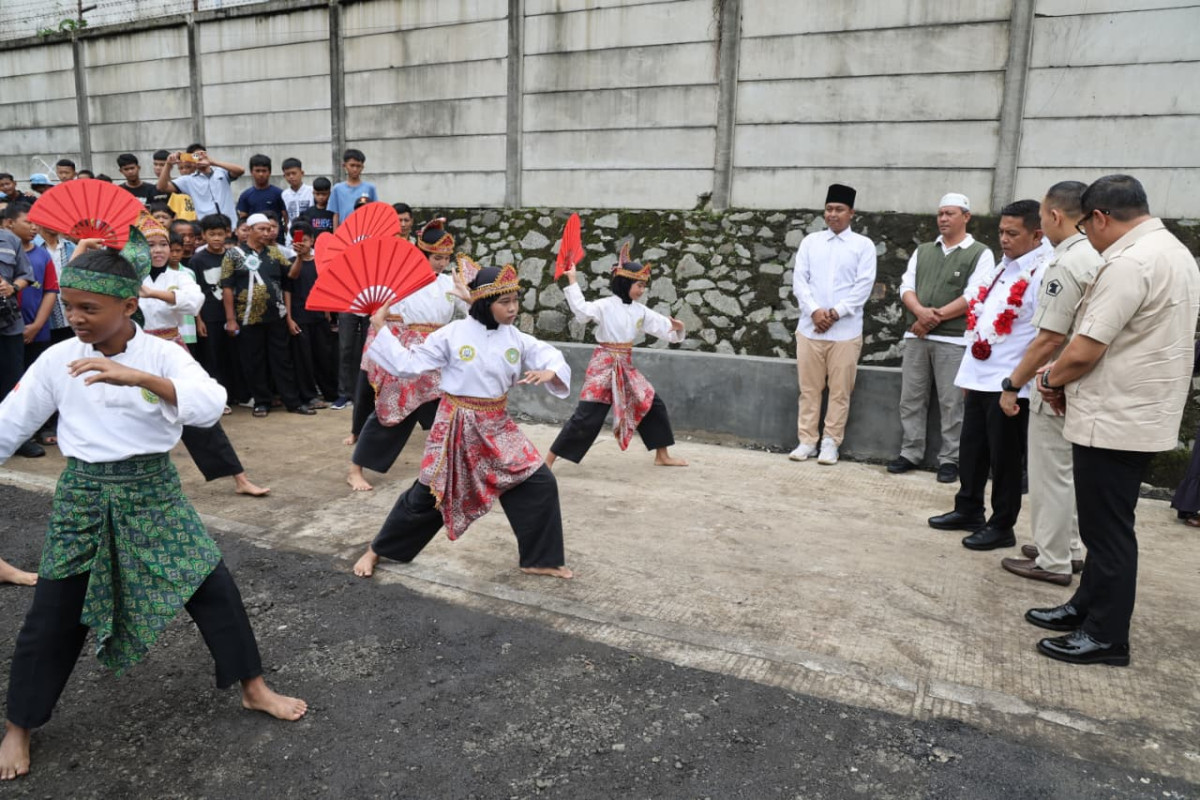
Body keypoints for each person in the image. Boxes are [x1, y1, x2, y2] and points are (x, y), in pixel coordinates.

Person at [0, 244, 307, 782]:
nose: (76, 317)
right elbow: (10, 423)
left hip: (153, 493)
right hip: (83, 498)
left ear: (128, 305)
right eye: (70, 305)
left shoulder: (163, 356)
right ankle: (19, 725)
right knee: (52, 613)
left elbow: (210, 404)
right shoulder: (57, 359)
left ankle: (254, 688)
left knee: (213, 589)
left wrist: (140, 379)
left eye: (89, 307)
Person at [1025, 175, 1200, 666]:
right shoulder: (1175, 252)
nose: (1088, 237)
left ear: (1100, 217)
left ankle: (1106, 635)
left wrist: (1049, 378)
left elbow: (1084, 349)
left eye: (1086, 227)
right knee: (1106, 525)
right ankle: (1085, 606)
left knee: (1108, 532)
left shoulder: (1129, 262)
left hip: (1114, 416)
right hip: (1138, 411)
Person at [352, 264, 574, 581]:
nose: (513, 308)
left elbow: (548, 354)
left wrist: (550, 371)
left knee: (538, 483)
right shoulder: (452, 334)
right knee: (430, 494)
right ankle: (377, 549)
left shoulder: (516, 338)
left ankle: (539, 559)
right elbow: (407, 364)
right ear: (485, 303)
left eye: (515, 300)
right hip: (456, 424)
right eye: (505, 302)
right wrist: (379, 326)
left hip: (497, 425)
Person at [928, 200, 1053, 550]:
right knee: (972, 451)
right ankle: (968, 508)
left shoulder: (1043, 271)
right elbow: (981, 317)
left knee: (1005, 459)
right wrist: (969, 375)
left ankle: (1002, 525)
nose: (1004, 239)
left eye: (1012, 233)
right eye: (1000, 232)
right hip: (979, 376)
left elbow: (1043, 334)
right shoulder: (1002, 267)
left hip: (1011, 381)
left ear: (1037, 234)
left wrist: (1016, 383)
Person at [997, 182, 1102, 586]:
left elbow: (1049, 338)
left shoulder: (1066, 262)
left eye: (1042, 217)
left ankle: (1052, 559)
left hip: (1056, 383)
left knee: (1049, 475)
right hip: (1084, 381)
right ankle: (1067, 548)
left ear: (1055, 216)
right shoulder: (1096, 253)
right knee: (1067, 473)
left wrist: (1013, 383)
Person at [131, 216, 269, 497]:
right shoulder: (127, 277)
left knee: (196, 410)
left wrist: (152, 293)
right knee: (131, 413)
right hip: (134, 350)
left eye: (163, 244)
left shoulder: (180, 276)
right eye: (150, 245)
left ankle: (240, 478)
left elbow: (193, 302)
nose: (158, 250)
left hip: (170, 348)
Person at [346, 220, 463, 492]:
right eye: (437, 258)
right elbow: (379, 313)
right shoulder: (401, 280)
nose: (442, 263)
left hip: (439, 352)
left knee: (450, 410)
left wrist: (469, 296)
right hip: (409, 352)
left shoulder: (449, 282)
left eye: (446, 258)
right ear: (423, 255)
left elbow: (472, 310)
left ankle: (451, 466)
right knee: (393, 411)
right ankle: (355, 469)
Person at [545, 245, 687, 468]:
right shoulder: (605, 306)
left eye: (643, 286)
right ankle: (548, 461)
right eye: (639, 285)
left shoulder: (640, 310)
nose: (642, 290)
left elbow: (662, 326)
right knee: (587, 416)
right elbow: (582, 312)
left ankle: (662, 455)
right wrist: (572, 279)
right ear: (625, 283)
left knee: (652, 404)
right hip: (603, 365)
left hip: (625, 365)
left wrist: (677, 327)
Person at [888, 193, 994, 482]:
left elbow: (975, 294)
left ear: (966, 217)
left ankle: (950, 459)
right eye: (940, 214)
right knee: (911, 398)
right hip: (917, 336)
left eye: (950, 213)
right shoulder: (923, 250)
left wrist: (932, 318)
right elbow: (906, 287)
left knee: (952, 403)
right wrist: (921, 313)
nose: (943, 219)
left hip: (954, 339)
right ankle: (910, 452)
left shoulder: (980, 253)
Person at [788, 183, 877, 465]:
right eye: (829, 209)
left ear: (851, 213)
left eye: (839, 209)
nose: (833, 214)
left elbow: (863, 286)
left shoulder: (863, 246)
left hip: (845, 333)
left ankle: (830, 442)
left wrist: (835, 313)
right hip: (809, 330)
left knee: (840, 391)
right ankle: (806, 441)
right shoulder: (810, 242)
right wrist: (815, 312)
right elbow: (800, 282)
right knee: (809, 390)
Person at [220, 213, 315, 418]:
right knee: (254, 361)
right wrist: (230, 319)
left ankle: (292, 402)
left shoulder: (274, 252)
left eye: (269, 229)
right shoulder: (233, 254)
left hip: (276, 316)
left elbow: (292, 274)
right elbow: (226, 287)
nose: (267, 233)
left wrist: (299, 257)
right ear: (249, 230)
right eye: (261, 229)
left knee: (283, 360)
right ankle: (262, 402)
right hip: (248, 317)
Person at [190, 214, 245, 407]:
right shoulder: (197, 260)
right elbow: (194, 292)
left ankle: (237, 394)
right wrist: (199, 320)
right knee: (213, 357)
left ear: (227, 234)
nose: (216, 238)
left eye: (220, 234)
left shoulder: (234, 256)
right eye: (211, 234)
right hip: (209, 315)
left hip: (234, 314)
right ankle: (218, 398)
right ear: (203, 235)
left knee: (235, 355)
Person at [0, 220, 41, 458]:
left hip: (8, 324)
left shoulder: (10, 240)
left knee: (13, 382)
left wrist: (12, 287)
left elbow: (27, 275)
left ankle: (17, 439)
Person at [281, 222, 331, 411]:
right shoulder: (290, 262)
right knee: (304, 360)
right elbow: (288, 287)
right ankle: (309, 396)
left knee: (323, 356)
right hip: (299, 317)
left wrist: (327, 311)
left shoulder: (320, 262)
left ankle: (330, 393)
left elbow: (325, 287)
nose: (302, 243)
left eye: (305, 240)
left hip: (319, 316)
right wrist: (289, 318)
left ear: (312, 240)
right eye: (298, 240)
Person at [156, 144, 244, 220]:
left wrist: (213, 162)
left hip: (230, 224)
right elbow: (161, 187)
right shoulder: (188, 180)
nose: (200, 158)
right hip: (206, 226)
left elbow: (241, 170)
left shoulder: (221, 172)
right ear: (191, 161)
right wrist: (168, 164)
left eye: (202, 154)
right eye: (195, 156)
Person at [236, 154, 287, 240]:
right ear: (251, 172)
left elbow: (286, 218)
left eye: (264, 171)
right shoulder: (245, 195)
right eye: (257, 171)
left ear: (269, 172)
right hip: (255, 239)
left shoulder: (280, 194)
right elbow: (243, 219)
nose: (261, 174)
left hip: (276, 239)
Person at [328, 148, 376, 228]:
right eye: (352, 165)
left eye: (358, 166)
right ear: (344, 166)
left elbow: (375, 212)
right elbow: (336, 214)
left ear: (362, 167)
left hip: (365, 230)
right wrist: (336, 234)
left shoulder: (370, 188)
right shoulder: (337, 189)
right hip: (344, 230)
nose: (355, 169)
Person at [150, 149, 196, 221]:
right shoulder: (151, 189)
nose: (158, 168)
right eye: (155, 164)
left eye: (162, 165)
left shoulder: (180, 187)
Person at [281, 158, 314, 224]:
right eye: (288, 174)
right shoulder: (284, 194)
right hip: (292, 229)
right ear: (284, 176)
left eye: (294, 173)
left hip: (309, 227)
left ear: (302, 173)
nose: (291, 177)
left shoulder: (312, 191)